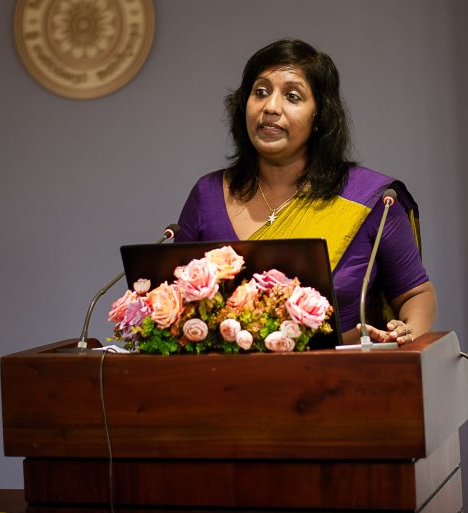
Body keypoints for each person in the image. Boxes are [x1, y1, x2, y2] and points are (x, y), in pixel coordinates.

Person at [175, 39, 437, 345]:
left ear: (319, 117)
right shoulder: (207, 195)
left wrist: (406, 336)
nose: (271, 107)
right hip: (222, 373)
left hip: (342, 371)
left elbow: (416, 293)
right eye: (260, 92)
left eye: (292, 96)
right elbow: (174, 297)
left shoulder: (369, 199)